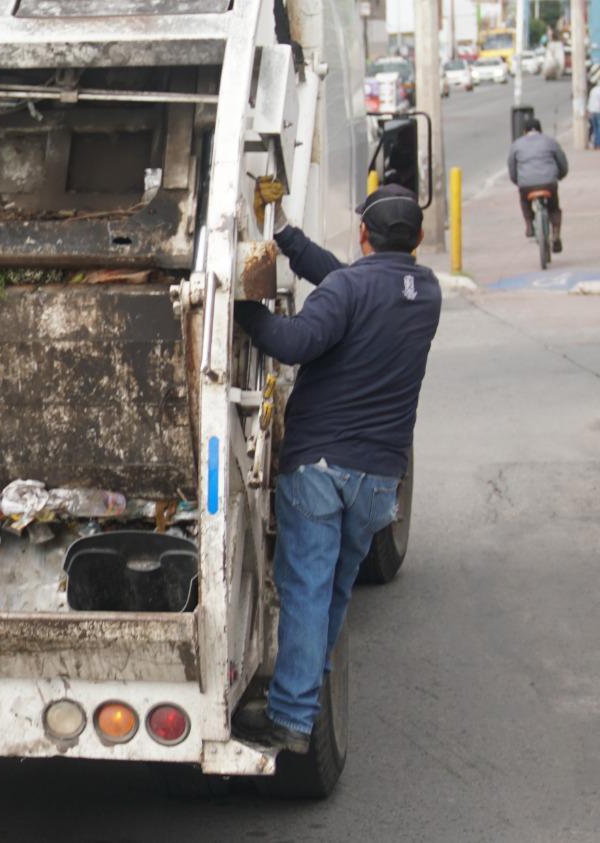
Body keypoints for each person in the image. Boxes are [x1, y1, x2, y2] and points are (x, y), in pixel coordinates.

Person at [231, 179, 442, 754]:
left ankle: (294, 721)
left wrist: (240, 303)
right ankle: (305, 698)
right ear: (419, 238)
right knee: (333, 593)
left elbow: (295, 342)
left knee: (304, 592)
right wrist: (287, 238)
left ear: (362, 234)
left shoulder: (351, 290)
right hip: (378, 480)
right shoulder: (425, 291)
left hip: (321, 470)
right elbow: (344, 279)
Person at [507, 118, 568, 252]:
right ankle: (556, 233)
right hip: (549, 183)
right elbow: (562, 162)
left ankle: (529, 224)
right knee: (554, 207)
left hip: (526, 185)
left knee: (524, 200)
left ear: (524, 131)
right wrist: (560, 176)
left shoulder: (516, 144)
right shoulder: (550, 141)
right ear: (540, 130)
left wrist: (518, 181)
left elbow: (512, 168)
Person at [588, 82, 600, 150]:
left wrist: (589, 111)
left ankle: (595, 143)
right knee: (598, 129)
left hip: (592, 111)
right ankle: (598, 144)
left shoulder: (593, 90)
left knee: (595, 129)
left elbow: (590, 101)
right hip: (598, 111)